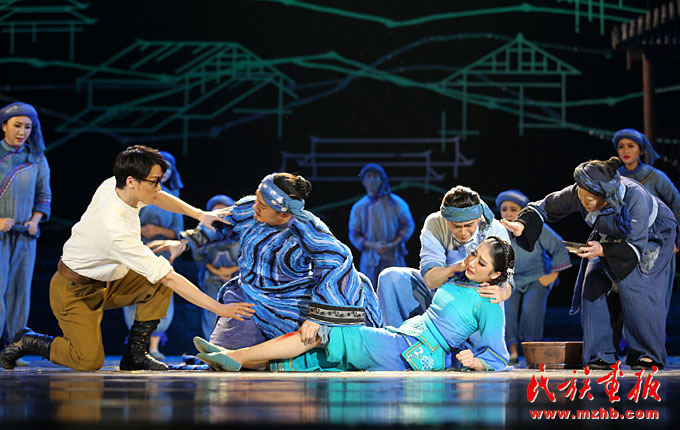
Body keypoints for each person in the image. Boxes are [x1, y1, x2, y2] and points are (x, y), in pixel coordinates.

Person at [0, 145, 255, 371]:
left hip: (110, 281)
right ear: (132, 181)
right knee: (88, 361)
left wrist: (199, 214)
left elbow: (158, 196)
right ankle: (28, 341)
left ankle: (135, 354)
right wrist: (220, 309)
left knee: (156, 282)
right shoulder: (116, 229)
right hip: (74, 290)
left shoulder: (116, 185)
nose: (158, 187)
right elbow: (169, 278)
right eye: (154, 182)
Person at [193, 236, 513, 373]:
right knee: (314, 359)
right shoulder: (460, 278)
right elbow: (435, 277)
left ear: (496, 274)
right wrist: (460, 266)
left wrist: (476, 363)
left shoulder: (488, 301)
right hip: (403, 338)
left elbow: (498, 355)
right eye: (474, 254)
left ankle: (234, 355)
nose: (472, 262)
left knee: (329, 331)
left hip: (417, 353)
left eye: (481, 263)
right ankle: (232, 361)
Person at [162, 172, 384, 352]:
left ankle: (278, 355)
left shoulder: (308, 229)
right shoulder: (249, 210)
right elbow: (220, 223)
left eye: (263, 205)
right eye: (257, 199)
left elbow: (335, 262)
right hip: (248, 297)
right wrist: (184, 243)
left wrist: (317, 317)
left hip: (290, 301)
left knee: (300, 348)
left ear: (284, 215)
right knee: (222, 354)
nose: (255, 207)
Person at [501, 157, 679, 370]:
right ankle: (600, 354)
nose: (583, 202)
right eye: (581, 195)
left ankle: (646, 353)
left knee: (635, 284)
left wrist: (603, 250)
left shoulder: (634, 198)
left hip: (652, 235)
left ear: (606, 196)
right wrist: (522, 225)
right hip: (610, 237)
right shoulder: (581, 191)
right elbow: (543, 207)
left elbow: (634, 246)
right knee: (593, 282)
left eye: (590, 199)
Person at [0, 102, 51, 363]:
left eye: (28, 127)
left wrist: (35, 220)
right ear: (4, 126)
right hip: (0, 235)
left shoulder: (37, 159)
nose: (22, 132)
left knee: (19, 294)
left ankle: (12, 349)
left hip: (24, 237)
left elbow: (44, 195)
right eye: (17, 125)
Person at [495, 190, 571, 364]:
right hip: (511, 279)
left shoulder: (536, 227)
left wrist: (553, 274)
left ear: (522, 212)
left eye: (513, 209)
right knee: (508, 312)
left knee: (531, 310)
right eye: (504, 209)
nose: (508, 213)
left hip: (536, 277)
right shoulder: (497, 230)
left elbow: (559, 247)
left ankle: (531, 352)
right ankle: (512, 352)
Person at [122, 150, 184, 361]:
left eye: (168, 168)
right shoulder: (135, 192)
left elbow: (179, 232)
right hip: (135, 251)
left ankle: (154, 347)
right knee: (134, 294)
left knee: (160, 295)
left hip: (161, 254)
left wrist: (158, 230)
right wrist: (140, 230)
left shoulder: (173, 198)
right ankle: (135, 345)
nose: (164, 172)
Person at [613, 128, 680, 313]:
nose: (625, 150)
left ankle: (656, 329)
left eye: (630, 146)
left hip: (657, 241)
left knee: (656, 296)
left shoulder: (655, 176)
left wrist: (676, 238)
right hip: (627, 242)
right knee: (626, 298)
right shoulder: (615, 178)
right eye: (621, 146)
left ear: (641, 150)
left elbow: (677, 203)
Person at [348, 163, 415, 289]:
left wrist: (392, 243)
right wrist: (374, 245)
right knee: (370, 291)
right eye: (368, 177)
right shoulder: (359, 207)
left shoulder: (396, 203)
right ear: (363, 181)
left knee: (396, 291)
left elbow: (408, 225)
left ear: (381, 180)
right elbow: (354, 234)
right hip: (370, 259)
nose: (372, 180)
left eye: (375, 177)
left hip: (393, 257)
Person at [191, 194, 239, 339]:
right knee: (212, 314)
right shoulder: (205, 231)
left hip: (238, 280)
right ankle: (212, 346)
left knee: (238, 314)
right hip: (211, 278)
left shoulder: (241, 230)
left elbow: (249, 256)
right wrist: (216, 271)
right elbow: (198, 255)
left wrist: (231, 270)